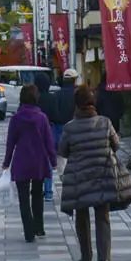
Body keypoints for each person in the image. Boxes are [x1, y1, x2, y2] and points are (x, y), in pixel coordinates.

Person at [58, 84, 122, 261]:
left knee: (82, 216)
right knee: (103, 216)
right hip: (102, 174)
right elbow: (116, 145)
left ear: (76, 104)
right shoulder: (105, 122)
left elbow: (62, 151)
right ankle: (105, 260)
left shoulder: (70, 127)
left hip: (80, 177)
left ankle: (86, 257)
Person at [2, 85, 58, 242]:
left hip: (21, 161)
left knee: (23, 198)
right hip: (39, 161)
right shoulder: (42, 118)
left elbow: (10, 142)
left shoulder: (16, 119)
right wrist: (53, 161)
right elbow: (49, 142)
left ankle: (28, 232)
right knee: (38, 195)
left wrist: (6, 162)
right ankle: (39, 228)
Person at [40, 70, 77, 201]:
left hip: (54, 130)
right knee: (67, 161)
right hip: (72, 130)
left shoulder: (56, 95)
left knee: (50, 162)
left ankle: (49, 192)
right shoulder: (77, 95)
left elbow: (55, 115)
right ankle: (70, 189)